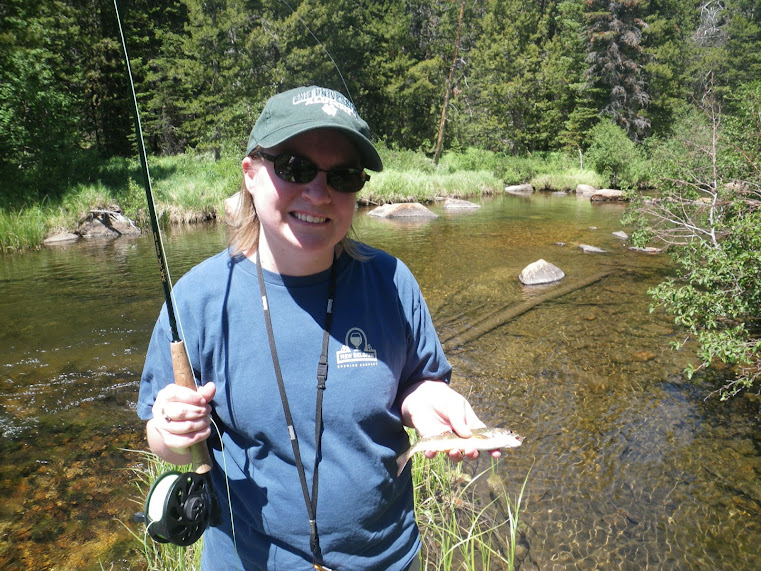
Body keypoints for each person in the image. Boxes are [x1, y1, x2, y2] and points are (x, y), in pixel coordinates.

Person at [137, 85, 498, 571]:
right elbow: (165, 442)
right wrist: (173, 431)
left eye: (343, 176)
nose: (319, 193)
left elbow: (416, 380)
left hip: (388, 559)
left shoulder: (392, 281)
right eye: (295, 167)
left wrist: (426, 398)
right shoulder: (197, 300)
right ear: (250, 174)